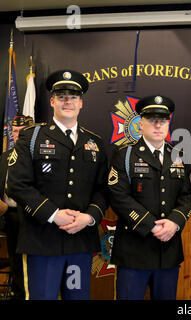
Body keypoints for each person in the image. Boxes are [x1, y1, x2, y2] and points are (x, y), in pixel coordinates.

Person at [6, 70, 108, 300]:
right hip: (42, 243)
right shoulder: (32, 137)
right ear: (52, 101)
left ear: (81, 103)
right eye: (61, 96)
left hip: (79, 244)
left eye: (73, 96)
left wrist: (89, 217)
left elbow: (103, 189)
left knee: (78, 297)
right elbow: (17, 185)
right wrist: (53, 214)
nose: (67, 101)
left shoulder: (95, 143)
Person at [108, 95, 191, 300]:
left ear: (168, 123)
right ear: (141, 123)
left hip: (168, 252)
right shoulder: (125, 154)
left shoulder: (178, 155)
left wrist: (175, 222)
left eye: (163, 119)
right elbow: (118, 195)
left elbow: (187, 196)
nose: (157, 125)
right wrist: (151, 225)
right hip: (133, 252)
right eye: (151, 119)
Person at [0, 114, 34, 300]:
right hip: (10, 216)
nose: (17, 135)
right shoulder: (5, 158)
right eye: (14, 131)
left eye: (22, 132)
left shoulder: (38, 157)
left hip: (32, 216)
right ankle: (18, 294)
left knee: (31, 261)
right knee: (15, 261)